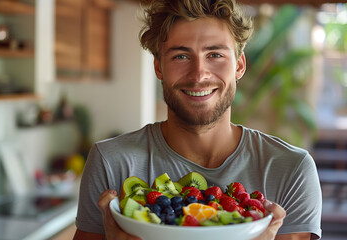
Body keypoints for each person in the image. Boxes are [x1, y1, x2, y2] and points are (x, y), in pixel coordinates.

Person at [73, 0, 322, 239]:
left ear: (239, 65)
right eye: (181, 56)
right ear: (159, 67)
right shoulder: (111, 162)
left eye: (215, 55)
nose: (198, 75)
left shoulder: (292, 170)